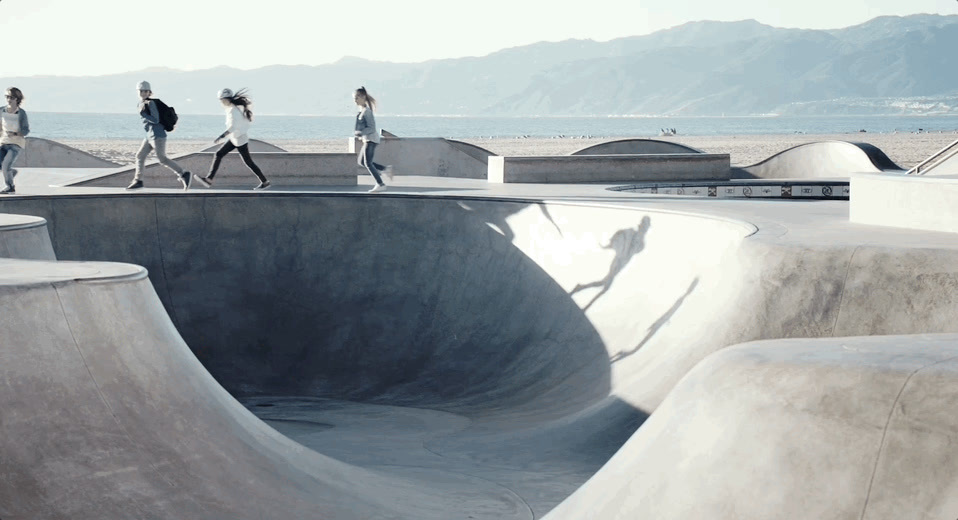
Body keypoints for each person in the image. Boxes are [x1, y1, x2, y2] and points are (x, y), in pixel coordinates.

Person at [195, 88, 270, 190]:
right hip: (236, 138)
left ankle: (264, 181)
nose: (221, 102)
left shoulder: (233, 110)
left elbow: (232, 127)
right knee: (219, 154)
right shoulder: (236, 108)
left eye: (221, 100)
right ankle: (209, 179)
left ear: (226, 99)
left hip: (239, 139)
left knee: (248, 162)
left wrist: (221, 136)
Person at [127, 80, 192, 190]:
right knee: (140, 156)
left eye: (145, 91)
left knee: (162, 159)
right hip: (149, 136)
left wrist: (144, 115)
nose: (143, 93)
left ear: (149, 92)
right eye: (141, 91)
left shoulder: (150, 103)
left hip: (157, 135)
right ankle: (138, 180)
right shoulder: (140, 103)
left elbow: (156, 119)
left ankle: (183, 173)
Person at [353, 86, 392, 193]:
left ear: (363, 97)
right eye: (354, 98)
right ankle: (385, 169)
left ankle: (380, 184)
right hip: (367, 139)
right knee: (362, 161)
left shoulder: (367, 112)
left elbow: (371, 127)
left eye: (356, 98)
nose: (355, 100)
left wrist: (360, 133)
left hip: (371, 139)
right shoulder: (362, 111)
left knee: (368, 163)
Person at [0, 87, 29, 194]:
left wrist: (15, 133)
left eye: (11, 97)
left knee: (5, 165)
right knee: (2, 167)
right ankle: (11, 173)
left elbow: (26, 131)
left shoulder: (21, 113)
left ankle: (10, 187)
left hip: (16, 144)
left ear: (17, 99)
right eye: (7, 97)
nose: (8, 99)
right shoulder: (1, 110)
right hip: (3, 142)